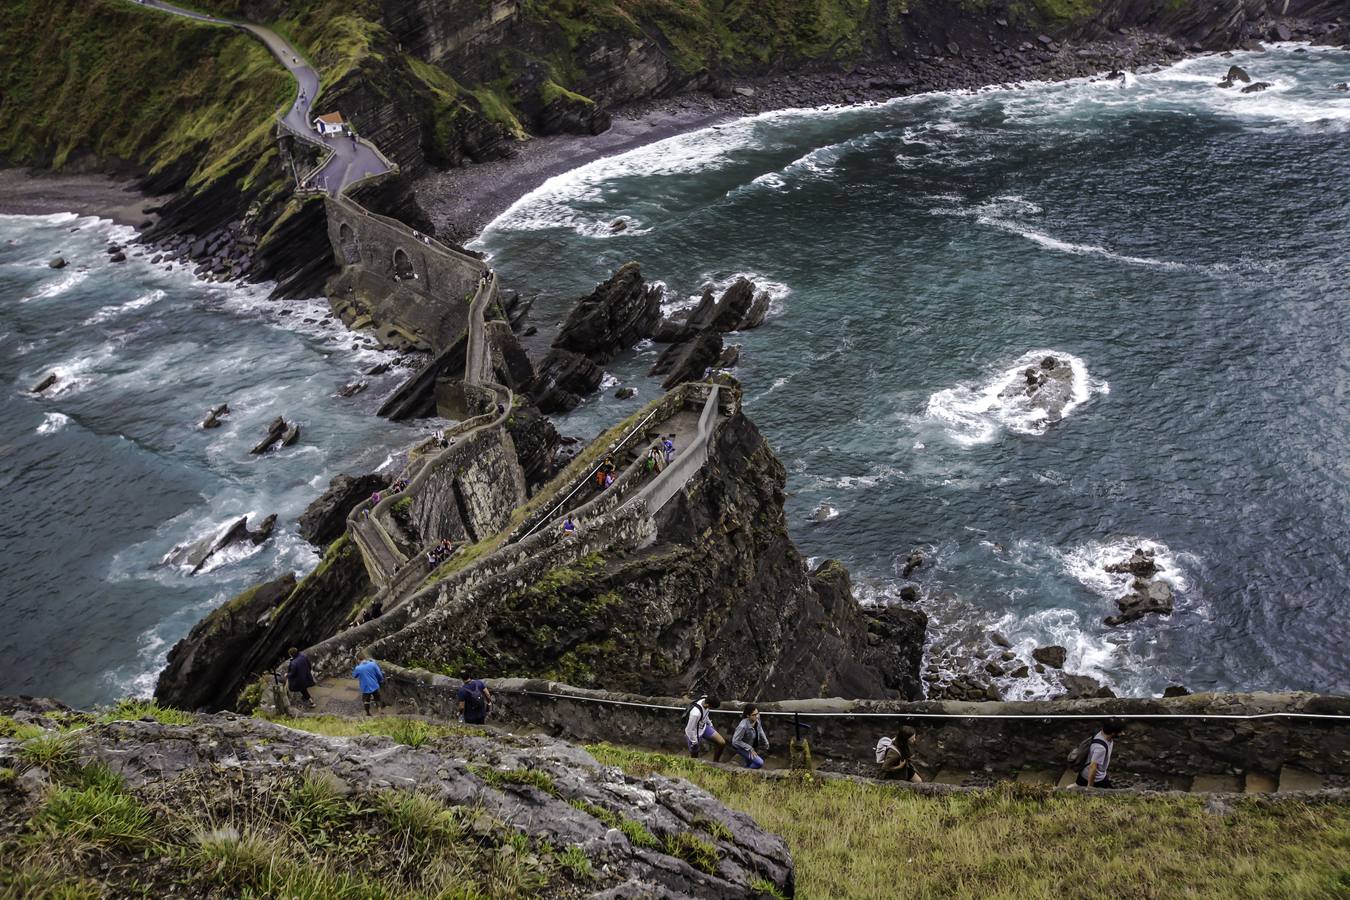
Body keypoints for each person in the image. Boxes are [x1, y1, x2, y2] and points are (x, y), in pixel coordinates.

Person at [1076, 718, 1126, 789]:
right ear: (1113, 733)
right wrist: (1090, 787)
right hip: (1097, 778)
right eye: (1120, 732)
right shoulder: (1100, 748)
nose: (1123, 734)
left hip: (1085, 772)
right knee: (1110, 794)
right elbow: (1093, 767)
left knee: (1077, 785)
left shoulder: (1101, 733)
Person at [684, 694, 726, 762]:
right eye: (711, 707)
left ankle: (716, 762)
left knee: (722, 742)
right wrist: (694, 742)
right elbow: (689, 729)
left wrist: (710, 724)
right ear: (707, 705)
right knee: (694, 757)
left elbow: (705, 714)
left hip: (703, 727)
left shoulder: (705, 698)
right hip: (694, 734)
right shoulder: (695, 713)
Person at [731, 704, 770, 769]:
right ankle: (744, 773)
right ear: (748, 716)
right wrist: (750, 748)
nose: (757, 716)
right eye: (754, 715)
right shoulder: (742, 726)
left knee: (750, 763)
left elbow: (760, 729)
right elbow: (735, 741)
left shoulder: (757, 719)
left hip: (751, 744)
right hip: (741, 747)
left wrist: (766, 742)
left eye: (757, 713)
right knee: (759, 762)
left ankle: (746, 774)